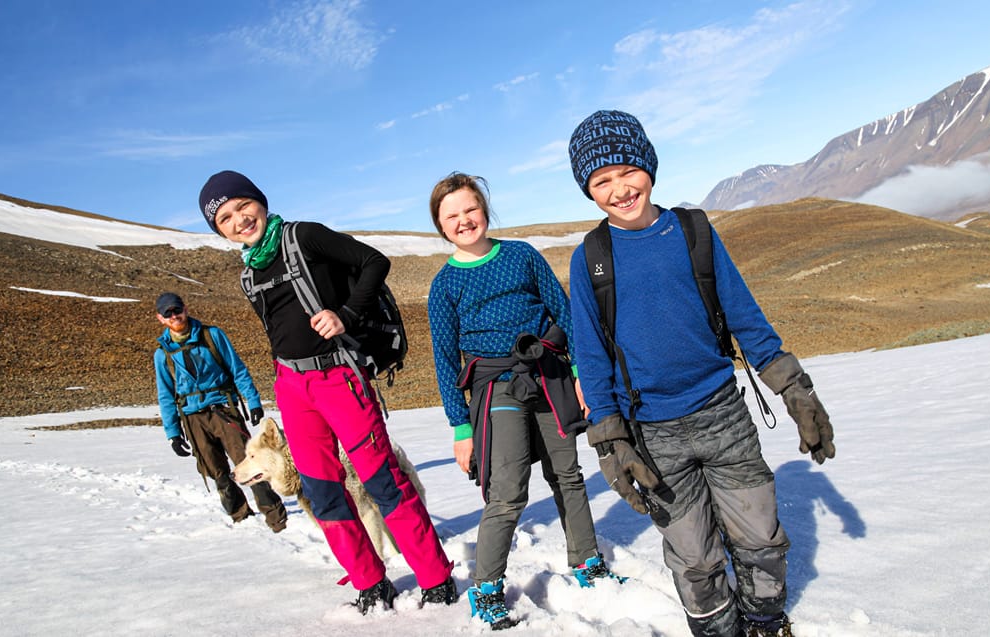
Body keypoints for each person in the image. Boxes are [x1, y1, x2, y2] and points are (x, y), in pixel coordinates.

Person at [565, 110, 837, 637]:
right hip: (651, 436)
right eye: (601, 181)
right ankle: (716, 630)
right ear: (589, 190)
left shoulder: (692, 231)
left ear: (648, 165)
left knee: (760, 534)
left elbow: (745, 316)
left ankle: (764, 620)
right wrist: (609, 442)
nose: (620, 188)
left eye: (627, 171)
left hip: (723, 415)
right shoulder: (590, 260)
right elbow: (593, 359)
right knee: (693, 556)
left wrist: (795, 389)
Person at [197, 170, 455, 614]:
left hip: (339, 377)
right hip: (292, 388)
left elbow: (374, 261)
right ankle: (370, 583)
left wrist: (347, 315)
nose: (240, 220)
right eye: (225, 218)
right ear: (220, 230)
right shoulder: (248, 276)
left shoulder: (305, 237)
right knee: (321, 490)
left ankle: (436, 579)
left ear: (259, 200)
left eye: (243, 207)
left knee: (382, 480)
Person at [426, 172, 624, 630]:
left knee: (568, 475)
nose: (464, 220)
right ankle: (487, 586)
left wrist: (579, 372)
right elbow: (442, 359)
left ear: (485, 210)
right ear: (440, 224)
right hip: (496, 387)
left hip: (550, 375)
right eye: (451, 215)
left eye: (470, 209)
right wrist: (461, 428)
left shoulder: (520, 255)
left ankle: (588, 562)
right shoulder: (444, 286)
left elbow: (563, 310)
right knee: (508, 490)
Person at [152, 291, 288, 533]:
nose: (174, 316)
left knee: (249, 464)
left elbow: (238, 369)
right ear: (160, 319)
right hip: (193, 419)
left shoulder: (212, 335)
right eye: (168, 313)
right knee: (217, 472)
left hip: (224, 409)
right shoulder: (162, 355)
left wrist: (254, 402)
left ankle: (276, 519)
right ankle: (240, 517)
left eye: (177, 310)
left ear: (185, 308)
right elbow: (166, 396)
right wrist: (173, 433)